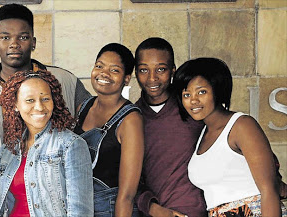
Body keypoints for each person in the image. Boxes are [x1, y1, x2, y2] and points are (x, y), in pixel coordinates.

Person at [0, 3, 91, 207]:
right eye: (5, 37)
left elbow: (91, 126)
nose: (14, 44)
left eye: (23, 37)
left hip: (54, 201)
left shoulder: (63, 80)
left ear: (33, 42)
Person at [173, 57, 287, 216]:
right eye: (186, 94)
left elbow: (269, 191)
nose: (193, 100)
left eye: (202, 92)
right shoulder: (203, 134)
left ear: (217, 90)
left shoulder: (241, 126)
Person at [0, 70, 93, 216]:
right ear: (15, 104)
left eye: (45, 99)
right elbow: (1, 205)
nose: (40, 107)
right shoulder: (8, 150)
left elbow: (81, 211)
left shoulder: (71, 145)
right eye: (30, 100)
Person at [133, 37, 207, 217]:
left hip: (201, 211)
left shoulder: (192, 106)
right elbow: (128, 179)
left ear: (173, 70)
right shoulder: (131, 118)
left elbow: (232, 134)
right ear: (135, 72)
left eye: (161, 69)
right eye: (144, 70)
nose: (152, 78)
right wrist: (153, 208)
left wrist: (273, 174)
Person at [73, 43, 144, 217]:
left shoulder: (130, 120)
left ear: (127, 78)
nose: (104, 73)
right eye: (99, 66)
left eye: (114, 70)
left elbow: (127, 195)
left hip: (113, 209)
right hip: (82, 206)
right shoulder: (84, 107)